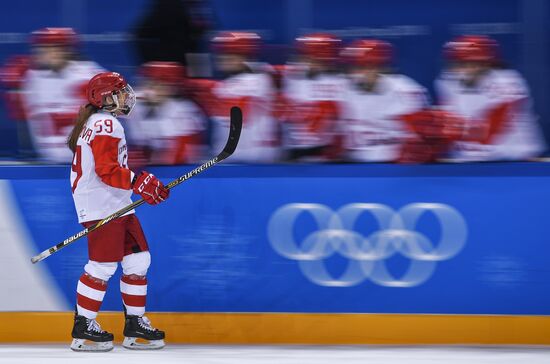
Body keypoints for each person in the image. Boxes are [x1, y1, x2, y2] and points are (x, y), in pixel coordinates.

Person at [67, 72, 169, 351]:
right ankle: (83, 326)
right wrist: (138, 182)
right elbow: (107, 170)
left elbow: (109, 170)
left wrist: (135, 185)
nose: (127, 96)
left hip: (116, 203)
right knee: (101, 266)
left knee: (138, 261)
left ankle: (134, 324)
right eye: (121, 91)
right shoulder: (104, 123)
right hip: (102, 204)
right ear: (106, 98)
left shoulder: (98, 122)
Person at [435, 35, 546, 161]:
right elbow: (448, 119)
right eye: (458, 63)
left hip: (516, 160)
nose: (462, 69)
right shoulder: (447, 80)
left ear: (487, 63)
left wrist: (446, 131)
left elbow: (491, 131)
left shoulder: (507, 82)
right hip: (468, 161)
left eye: (470, 63)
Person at [22, 27, 104, 163]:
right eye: (46, 49)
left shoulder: (89, 74)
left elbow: (121, 104)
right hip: (48, 163)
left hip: (89, 163)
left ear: (68, 50)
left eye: (57, 48)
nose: (52, 53)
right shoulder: (31, 79)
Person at [339, 39, 428, 162]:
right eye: (352, 68)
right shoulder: (342, 89)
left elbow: (421, 133)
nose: (354, 74)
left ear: (377, 68)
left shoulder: (405, 90)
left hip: (393, 165)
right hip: (352, 165)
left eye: (360, 67)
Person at [206, 31, 279, 162]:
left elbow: (267, 75)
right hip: (227, 157)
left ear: (245, 57)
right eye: (222, 55)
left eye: (230, 55)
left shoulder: (261, 80)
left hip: (256, 158)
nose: (222, 59)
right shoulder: (222, 86)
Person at [279, 33, 347, 162]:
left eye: (315, 59)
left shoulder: (340, 83)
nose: (308, 63)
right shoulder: (289, 76)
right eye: (305, 58)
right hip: (292, 152)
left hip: (323, 154)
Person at [127, 61, 206, 165]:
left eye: (161, 85)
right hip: (143, 169)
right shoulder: (133, 108)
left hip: (179, 171)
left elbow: (182, 154)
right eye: (150, 84)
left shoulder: (186, 110)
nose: (153, 90)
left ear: (173, 88)